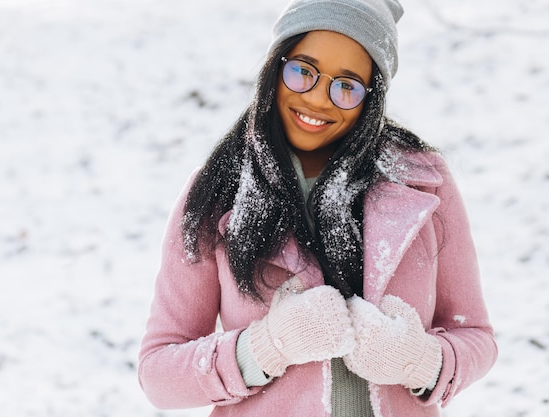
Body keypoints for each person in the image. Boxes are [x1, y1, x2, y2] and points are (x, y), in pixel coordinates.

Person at [138, 0, 498, 416]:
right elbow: (158, 376)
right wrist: (266, 347)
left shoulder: (422, 180)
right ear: (275, 68)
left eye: (347, 85)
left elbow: (475, 336)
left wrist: (420, 361)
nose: (318, 100)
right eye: (302, 70)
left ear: (371, 98)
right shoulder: (217, 191)